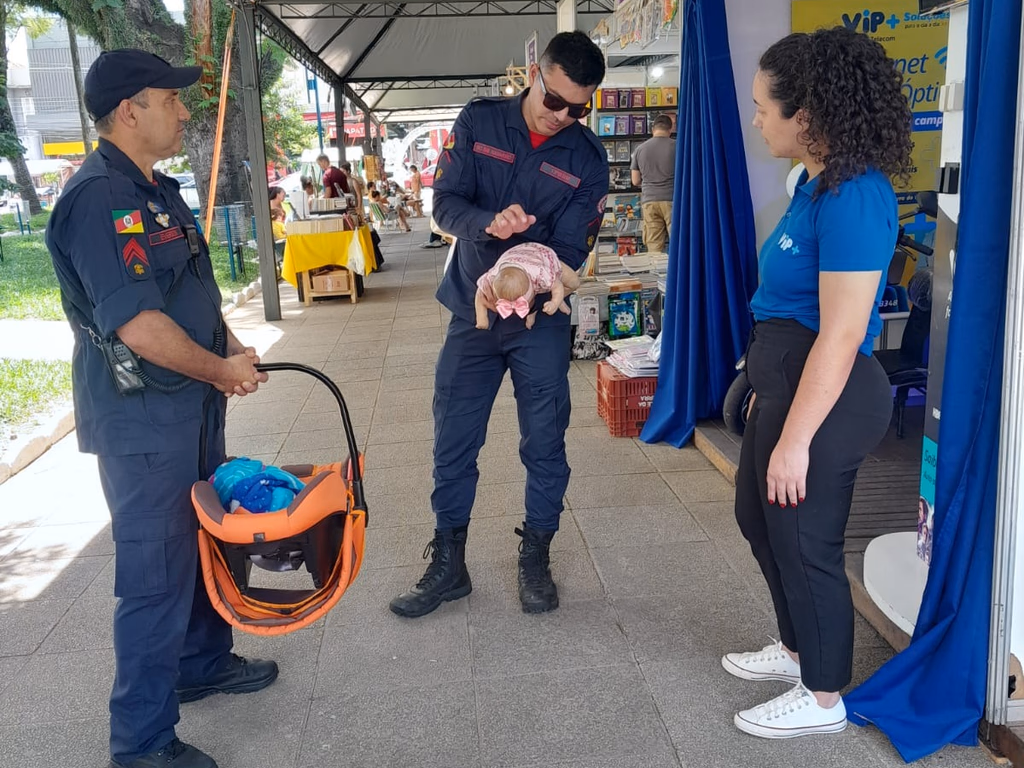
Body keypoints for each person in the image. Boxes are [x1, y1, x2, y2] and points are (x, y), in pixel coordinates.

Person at [45, 49, 279, 768]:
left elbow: (192, 292)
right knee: (156, 576)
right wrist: (219, 370)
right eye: (169, 99)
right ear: (128, 111)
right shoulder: (98, 199)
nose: (183, 111)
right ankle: (141, 742)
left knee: (204, 537)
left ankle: (200, 663)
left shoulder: (155, 190)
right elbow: (140, 328)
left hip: (188, 406)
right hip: (144, 421)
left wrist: (230, 349)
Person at [722, 27, 913, 740]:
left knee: (806, 540)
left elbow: (840, 333)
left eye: (762, 107)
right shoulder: (814, 184)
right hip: (785, 381)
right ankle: (797, 648)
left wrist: (796, 440)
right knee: (758, 518)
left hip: (828, 396)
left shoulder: (856, 196)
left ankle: (824, 695)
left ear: (805, 114)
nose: (756, 120)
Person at [388, 31, 608, 618]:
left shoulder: (588, 159)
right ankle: (449, 562)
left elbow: (573, 247)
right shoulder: (480, 121)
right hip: (473, 312)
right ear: (534, 75)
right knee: (453, 438)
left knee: (545, 441)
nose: (562, 116)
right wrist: (490, 224)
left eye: (578, 109)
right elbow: (444, 204)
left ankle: (536, 555)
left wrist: (540, 277)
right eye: (554, 100)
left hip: (539, 321)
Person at [474, 242, 578, 330]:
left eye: (519, 299)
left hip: (541, 255)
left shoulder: (540, 273)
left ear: (530, 284)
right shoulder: (490, 277)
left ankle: (559, 300)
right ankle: (533, 312)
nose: (514, 305)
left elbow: (557, 285)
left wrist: (554, 303)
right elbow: (480, 295)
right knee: (536, 302)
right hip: (512, 256)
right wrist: (481, 319)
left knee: (574, 283)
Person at [630, 113, 675, 254]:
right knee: (678, 243)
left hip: (649, 200)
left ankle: (656, 267)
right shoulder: (678, 146)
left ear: (653, 129)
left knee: (654, 246)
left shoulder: (640, 149)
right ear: (671, 129)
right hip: (673, 199)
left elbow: (635, 180)